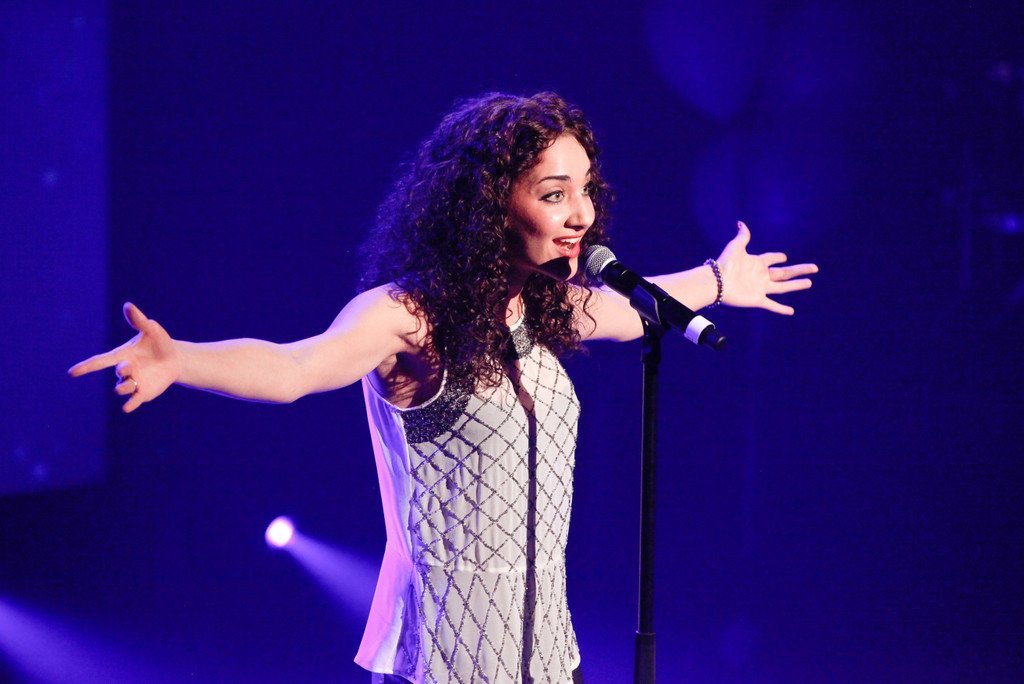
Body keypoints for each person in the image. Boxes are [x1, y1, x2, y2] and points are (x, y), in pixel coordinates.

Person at [69, 92, 817, 684]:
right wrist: (181, 359)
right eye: (554, 194)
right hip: (444, 659)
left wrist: (721, 280)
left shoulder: (544, 306)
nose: (581, 215)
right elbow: (297, 368)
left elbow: (634, 309)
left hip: (549, 658)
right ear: (489, 204)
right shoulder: (407, 315)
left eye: (586, 190)